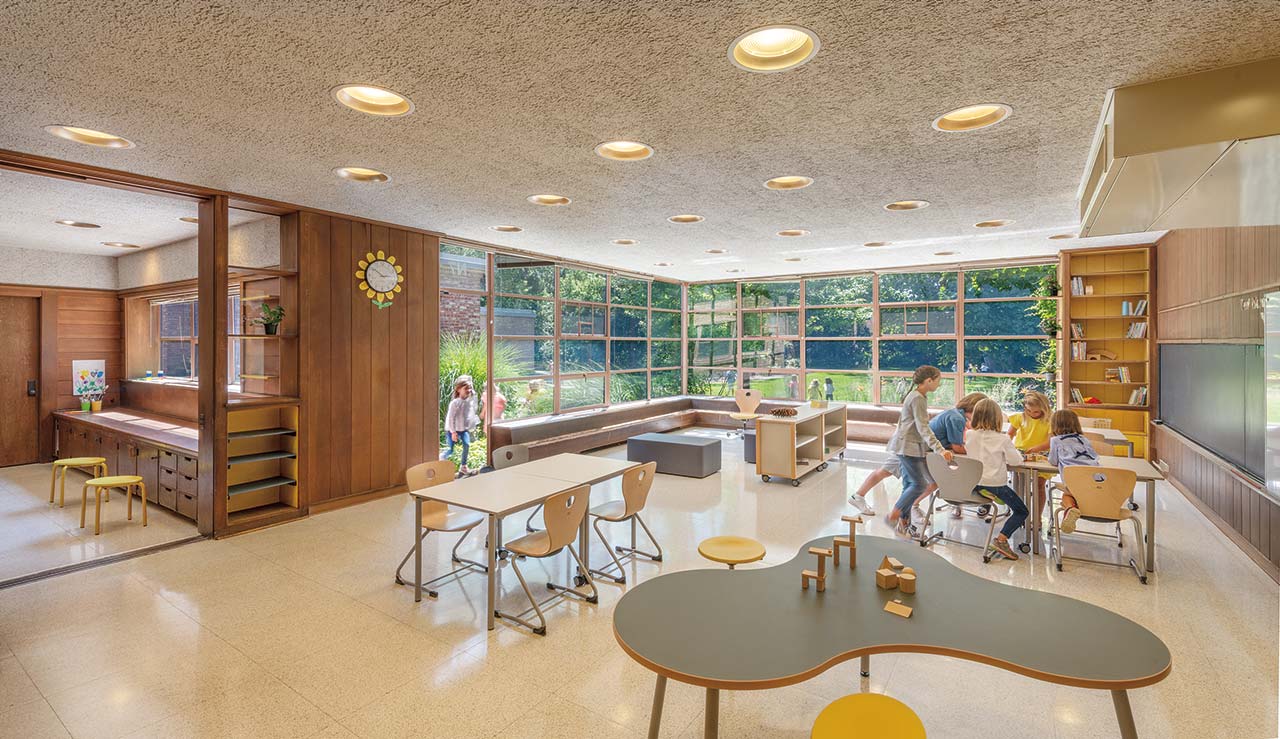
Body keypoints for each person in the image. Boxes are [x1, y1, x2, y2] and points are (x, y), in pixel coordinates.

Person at [885, 365, 953, 536]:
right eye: (938, 380)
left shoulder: (918, 396)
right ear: (929, 380)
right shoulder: (917, 398)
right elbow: (923, 427)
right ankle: (894, 514)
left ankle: (903, 523)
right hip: (907, 447)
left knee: (909, 484)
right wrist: (940, 449)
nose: (939, 384)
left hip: (910, 447)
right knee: (919, 484)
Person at [965, 398, 1028, 560]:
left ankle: (989, 495)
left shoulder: (970, 435)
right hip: (995, 483)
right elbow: (1016, 461)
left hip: (974, 482)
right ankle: (1001, 540)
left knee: (995, 491)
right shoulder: (1002, 439)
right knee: (1022, 511)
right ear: (998, 418)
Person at [928, 392, 987, 518]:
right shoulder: (957, 419)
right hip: (932, 455)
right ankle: (960, 500)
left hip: (933, 453)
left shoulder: (954, 413)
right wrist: (979, 450)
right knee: (967, 468)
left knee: (960, 467)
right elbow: (957, 447)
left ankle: (957, 504)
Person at [1046, 409, 1101, 533]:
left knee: (1066, 495)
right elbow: (1095, 457)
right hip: (1094, 482)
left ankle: (1070, 508)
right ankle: (1074, 509)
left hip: (1073, 482)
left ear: (1054, 425)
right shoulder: (1084, 439)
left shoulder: (1056, 440)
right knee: (1078, 491)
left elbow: (1053, 461)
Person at [1008, 390, 1053, 525]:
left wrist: (1036, 448)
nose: (1032, 414)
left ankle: (1037, 517)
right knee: (1020, 485)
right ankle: (1020, 514)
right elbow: (1009, 435)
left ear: (1044, 409)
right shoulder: (1019, 417)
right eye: (1028, 411)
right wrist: (1007, 448)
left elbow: (1051, 441)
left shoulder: (1050, 419)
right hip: (1021, 455)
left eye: (1036, 412)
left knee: (1039, 486)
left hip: (1042, 456)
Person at [442, 377, 479, 475]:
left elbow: (471, 412)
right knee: (450, 449)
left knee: (466, 445)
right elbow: (451, 418)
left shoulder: (468, 402)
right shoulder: (455, 403)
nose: (469, 390)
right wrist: (453, 432)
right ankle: (440, 460)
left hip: (463, 429)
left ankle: (463, 466)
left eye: (470, 388)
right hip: (453, 429)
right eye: (466, 388)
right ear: (458, 390)